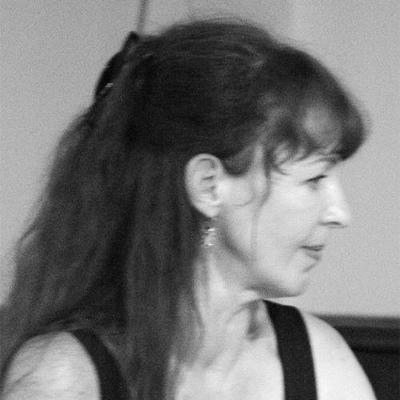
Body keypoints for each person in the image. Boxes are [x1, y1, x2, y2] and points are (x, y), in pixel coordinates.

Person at [0, 19, 376, 400]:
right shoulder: (63, 377)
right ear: (208, 186)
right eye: (315, 179)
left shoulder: (324, 361)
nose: (340, 213)